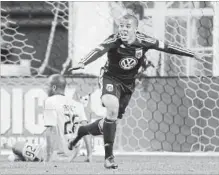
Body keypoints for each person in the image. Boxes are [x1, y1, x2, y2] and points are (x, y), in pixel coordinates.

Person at [68, 14, 201, 169]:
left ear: (135, 29)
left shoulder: (145, 41)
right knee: (112, 108)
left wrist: (191, 53)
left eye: (127, 26)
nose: (123, 29)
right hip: (110, 78)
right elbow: (98, 50)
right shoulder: (114, 40)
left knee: (110, 121)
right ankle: (109, 158)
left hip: (128, 84)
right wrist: (83, 63)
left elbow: (168, 47)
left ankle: (83, 131)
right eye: (121, 26)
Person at [7, 74, 92, 162]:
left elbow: (51, 131)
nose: (46, 88)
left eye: (47, 86)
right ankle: (29, 157)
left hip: (56, 154)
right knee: (15, 157)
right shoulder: (77, 105)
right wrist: (89, 155)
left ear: (54, 87)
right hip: (71, 154)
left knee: (16, 146)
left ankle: (38, 157)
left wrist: (48, 157)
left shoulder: (50, 101)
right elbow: (86, 130)